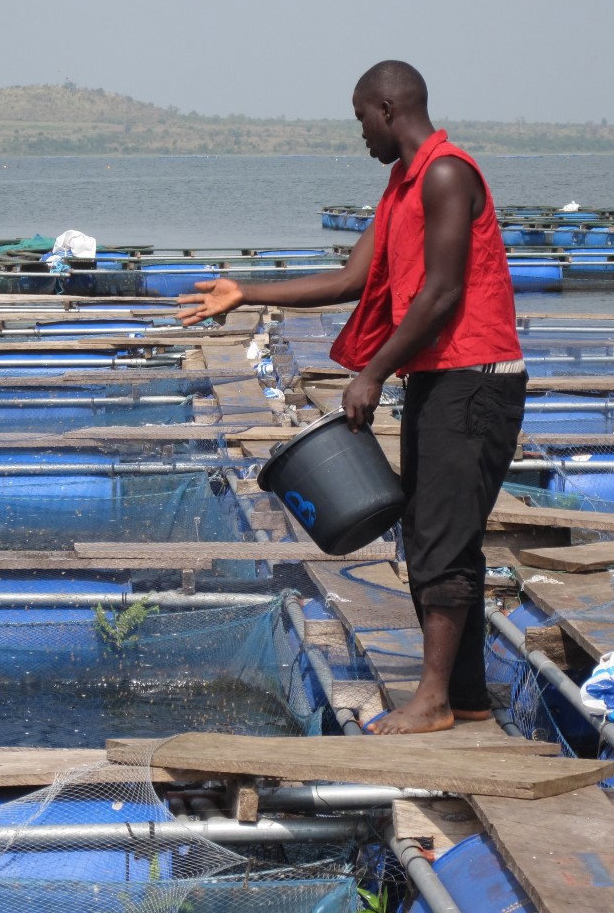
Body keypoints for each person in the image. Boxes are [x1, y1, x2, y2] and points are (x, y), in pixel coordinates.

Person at [179, 61, 526, 735]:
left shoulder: (447, 174)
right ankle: (465, 694)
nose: (360, 131)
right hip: (440, 376)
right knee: (435, 529)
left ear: (388, 108)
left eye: (361, 116)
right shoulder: (401, 184)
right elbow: (350, 279)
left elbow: (442, 292)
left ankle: (431, 701)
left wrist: (371, 372)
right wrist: (245, 292)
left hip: (477, 377)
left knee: (440, 537)